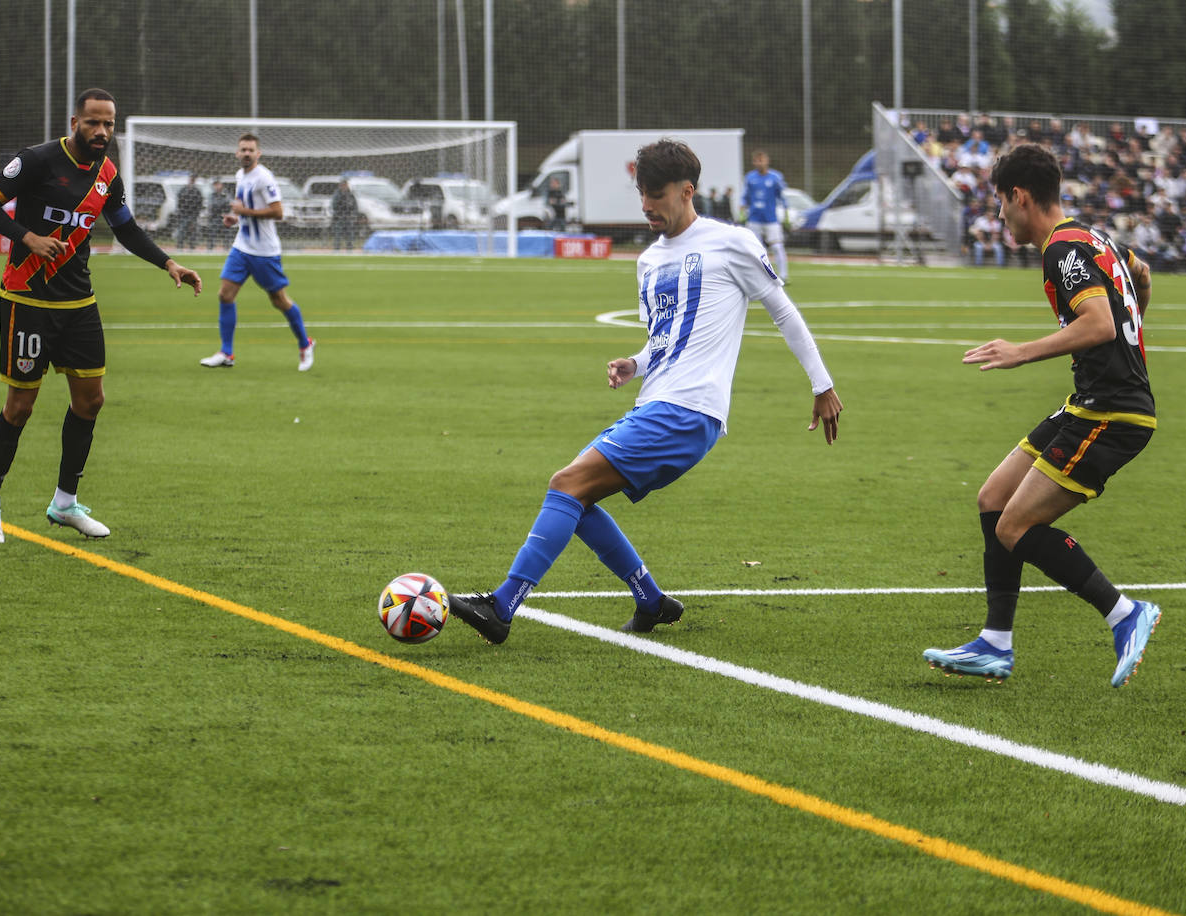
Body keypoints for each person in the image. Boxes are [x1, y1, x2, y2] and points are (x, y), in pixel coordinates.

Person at [446, 138, 843, 644]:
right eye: (641, 193)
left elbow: (783, 311)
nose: (646, 204)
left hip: (688, 410)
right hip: (658, 400)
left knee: (566, 483)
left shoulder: (731, 243)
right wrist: (635, 363)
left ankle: (502, 607)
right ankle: (651, 601)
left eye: (656, 193)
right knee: (578, 502)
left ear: (687, 190)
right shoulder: (649, 261)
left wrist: (822, 382)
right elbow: (664, 338)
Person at [922, 143, 1161, 688]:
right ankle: (995, 644)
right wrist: (1137, 302)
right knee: (993, 500)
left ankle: (1126, 614)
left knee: (1016, 525)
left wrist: (1021, 351)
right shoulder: (1093, 237)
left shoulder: (1062, 248)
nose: (999, 214)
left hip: (1113, 413)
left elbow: (1099, 324)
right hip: (1091, 403)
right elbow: (1133, 293)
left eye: (1000, 203)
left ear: (1019, 196)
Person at [0, 88, 202, 543]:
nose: (102, 132)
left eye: (109, 124)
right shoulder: (36, 160)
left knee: (91, 401)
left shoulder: (108, 173)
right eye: (93, 123)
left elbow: (126, 227)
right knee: (20, 407)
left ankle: (64, 503)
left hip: (79, 304)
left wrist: (168, 263)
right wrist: (28, 237)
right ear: (75, 121)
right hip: (27, 300)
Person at [199, 133, 315, 371]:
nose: (247, 153)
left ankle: (305, 344)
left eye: (251, 150)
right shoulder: (240, 175)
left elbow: (278, 212)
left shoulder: (264, 178)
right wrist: (235, 217)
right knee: (225, 294)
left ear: (258, 153)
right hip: (242, 247)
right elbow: (245, 209)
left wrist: (245, 212)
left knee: (279, 300)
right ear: (237, 153)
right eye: (243, 149)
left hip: (264, 252)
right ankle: (226, 353)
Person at [741, 150, 789, 281]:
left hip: (771, 218)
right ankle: (758, 275)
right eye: (756, 160)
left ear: (767, 161)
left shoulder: (776, 177)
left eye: (761, 160)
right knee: (754, 248)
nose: (759, 163)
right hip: (754, 218)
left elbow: (782, 196)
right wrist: (742, 210)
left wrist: (786, 213)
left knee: (777, 247)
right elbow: (744, 197)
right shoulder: (750, 178)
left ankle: (784, 275)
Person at [173, 175, 204, 250]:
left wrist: (196, 213)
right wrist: (180, 212)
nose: (192, 181)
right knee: (182, 230)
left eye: (193, 179)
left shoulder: (197, 191)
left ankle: (192, 246)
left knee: (193, 231)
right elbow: (179, 201)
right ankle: (180, 246)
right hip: (183, 214)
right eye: (191, 179)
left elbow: (200, 203)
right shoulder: (183, 190)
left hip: (193, 215)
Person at [329, 178, 361, 251]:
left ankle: (349, 249)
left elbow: (355, 205)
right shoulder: (337, 194)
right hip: (339, 217)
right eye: (343, 185)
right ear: (340, 186)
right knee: (338, 234)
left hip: (348, 217)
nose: (345, 187)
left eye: (346, 185)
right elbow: (334, 205)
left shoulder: (350, 194)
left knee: (349, 234)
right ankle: (337, 249)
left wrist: (354, 214)